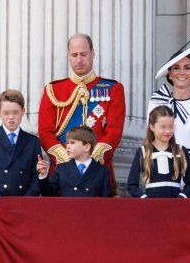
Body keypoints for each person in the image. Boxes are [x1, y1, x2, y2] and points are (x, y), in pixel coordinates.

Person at [38, 33, 125, 193]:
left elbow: (114, 131)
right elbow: (45, 133)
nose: (79, 60)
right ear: (68, 56)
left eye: (84, 54)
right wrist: (66, 162)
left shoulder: (113, 89)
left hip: (97, 173)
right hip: (61, 173)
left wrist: (90, 162)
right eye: (74, 55)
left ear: (93, 53)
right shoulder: (53, 90)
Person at [147, 42, 190, 197]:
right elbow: (151, 139)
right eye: (176, 68)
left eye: (187, 67)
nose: (181, 72)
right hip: (162, 170)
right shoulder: (157, 101)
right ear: (169, 74)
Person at [128, 106, 190, 198]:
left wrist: (181, 197)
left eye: (171, 126)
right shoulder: (143, 151)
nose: (168, 131)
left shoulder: (181, 151)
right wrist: (145, 199)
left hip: (176, 207)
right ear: (152, 127)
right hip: (152, 207)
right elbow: (132, 185)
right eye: (163, 127)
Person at [37, 126, 112, 197]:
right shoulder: (61, 169)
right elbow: (48, 195)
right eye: (68, 143)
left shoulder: (102, 171)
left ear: (86, 147)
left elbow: (106, 202)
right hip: (67, 210)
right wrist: (43, 175)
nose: (67, 146)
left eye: (72, 143)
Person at [0, 89, 41, 196]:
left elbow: (36, 176)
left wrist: (25, 200)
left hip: (24, 203)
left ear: (23, 111)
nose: (11, 117)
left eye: (15, 112)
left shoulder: (33, 141)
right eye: (6, 113)